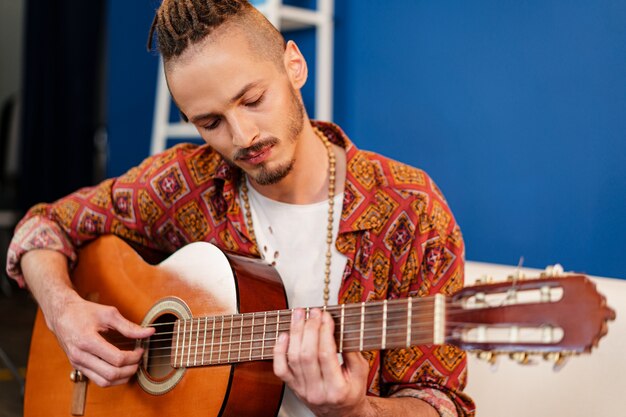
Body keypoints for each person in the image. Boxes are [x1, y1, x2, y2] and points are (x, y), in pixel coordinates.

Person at [6, 1, 474, 416]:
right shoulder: (186, 183)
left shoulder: (409, 209)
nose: (242, 136)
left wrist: (356, 412)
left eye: (252, 100)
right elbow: (43, 224)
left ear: (294, 65)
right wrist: (63, 310)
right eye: (210, 122)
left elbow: (440, 402)